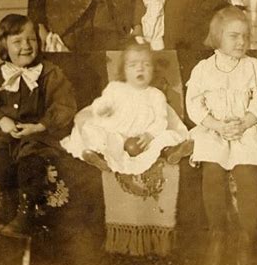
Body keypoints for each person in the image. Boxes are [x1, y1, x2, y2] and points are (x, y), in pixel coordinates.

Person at [186, 6, 257, 265]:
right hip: (214, 129)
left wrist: (246, 121)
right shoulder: (203, 69)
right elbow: (194, 104)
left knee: (246, 172)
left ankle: (245, 243)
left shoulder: (253, 68)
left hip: (245, 129)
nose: (241, 42)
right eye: (234, 36)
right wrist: (216, 125)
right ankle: (217, 235)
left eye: (246, 37)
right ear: (217, 37)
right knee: (212, 170)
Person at [0, 14, 77, 238]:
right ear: (3, 45)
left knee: (31, 160)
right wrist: (2, 120)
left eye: (31, 40)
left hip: (39, 135)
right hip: (7, 133)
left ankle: (26, 214)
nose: (26, 47)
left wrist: (39, 126)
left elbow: (64, 106)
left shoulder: (50, 73)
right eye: (17, 42)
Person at [61, 42, 192, 175]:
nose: (140, 69)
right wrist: (103, 109)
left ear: (153, 70)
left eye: (146, 65)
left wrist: (150, 134)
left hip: (144, 139)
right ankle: (98, 156)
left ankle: (172, 152)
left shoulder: (156, 95)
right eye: (133, 65)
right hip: (118, 134)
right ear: (124, 70)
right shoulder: (116, 88)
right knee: (94, 132)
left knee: (165, 137)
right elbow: (102, 103)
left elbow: (161, 120)